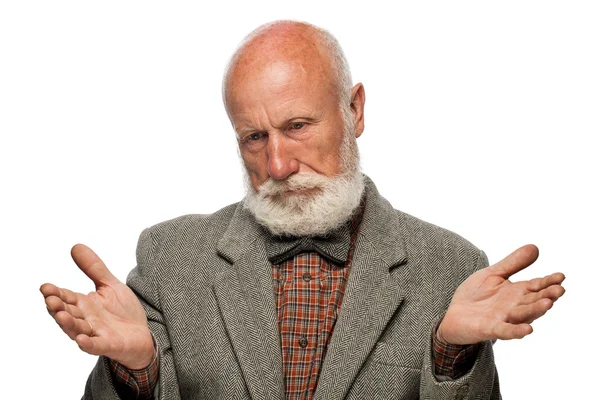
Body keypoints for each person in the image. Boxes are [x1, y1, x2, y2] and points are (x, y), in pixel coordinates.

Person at [40, 20, 566, 400]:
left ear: (354, 110)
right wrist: (139, 370)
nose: (277, 162)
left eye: (297, 127)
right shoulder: (168, 257)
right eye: (253, 137)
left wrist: (451, 356)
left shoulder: (451, 266)